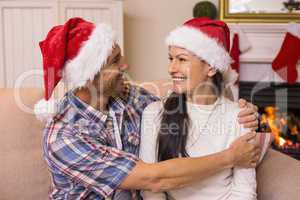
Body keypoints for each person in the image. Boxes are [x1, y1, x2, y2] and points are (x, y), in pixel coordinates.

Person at [35, 17, 260, 200]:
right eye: (115, 61)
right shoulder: (63, 136)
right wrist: (231, 157)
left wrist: (242, 109)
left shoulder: (131, 98)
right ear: (89, 76)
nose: (126, 65)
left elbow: (192, 102)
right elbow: (154, 180)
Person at [139, 18, 257, 199]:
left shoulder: (241, 116)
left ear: (210, 67)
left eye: (182, 59)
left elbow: (244, 191)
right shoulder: (154, 112)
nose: (172, 68)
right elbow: (150, 189)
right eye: (171, 58)